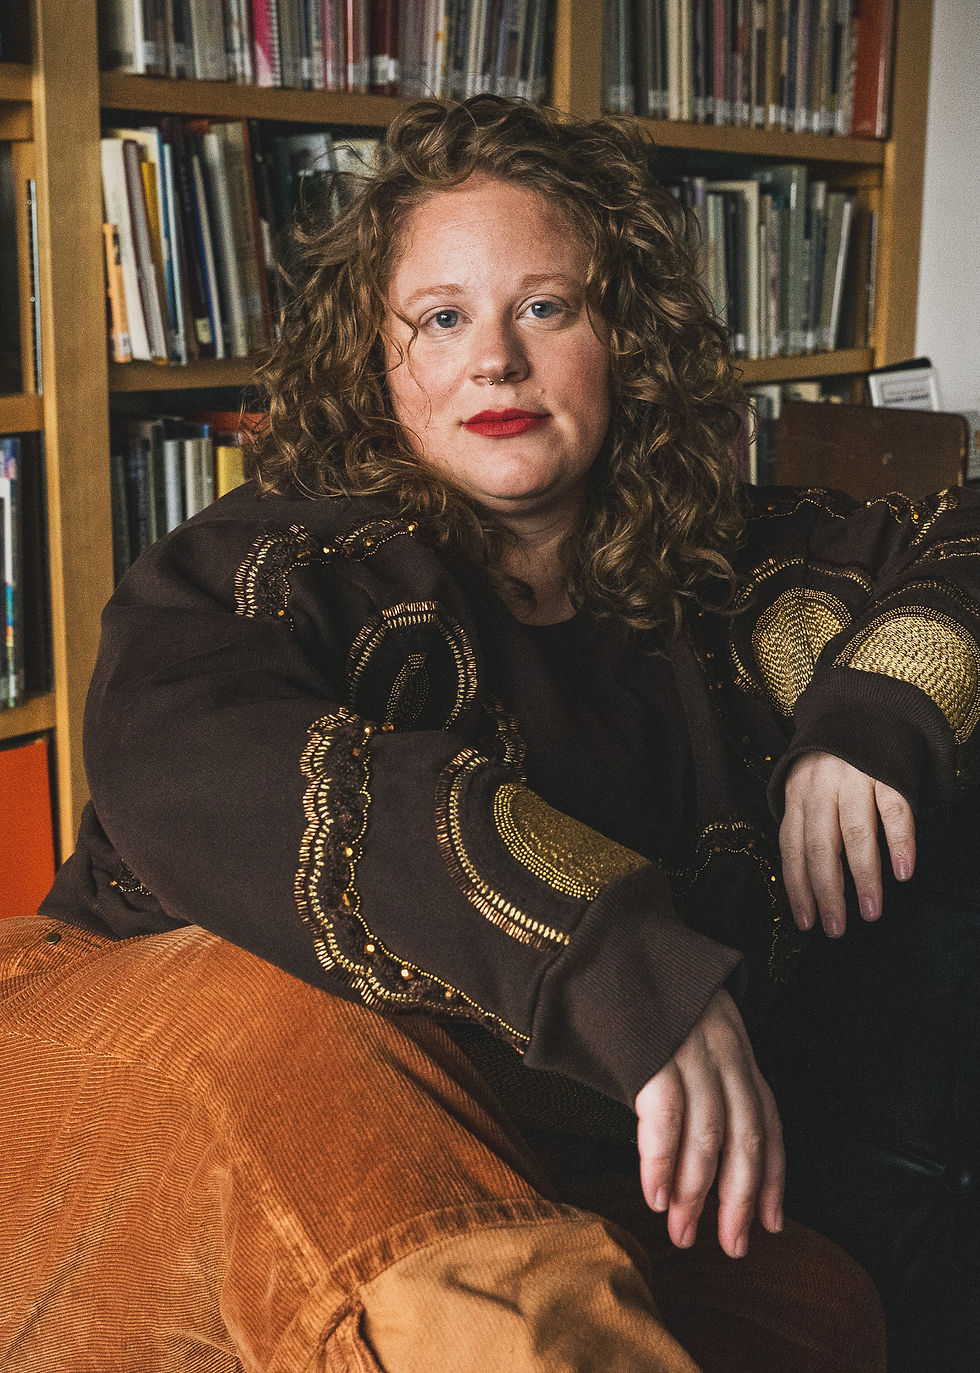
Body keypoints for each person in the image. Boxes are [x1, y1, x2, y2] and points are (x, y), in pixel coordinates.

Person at [5, 93, 980, 1371]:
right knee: (315, 1041)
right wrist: (612, 959)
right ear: (377, 357)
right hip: (130, 1037)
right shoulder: (279, 556)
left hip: (497, 1145)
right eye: (443, 316)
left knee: (810, 1303)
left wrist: (872, 714)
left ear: (624, 335)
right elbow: (186, 748)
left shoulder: (730, 574)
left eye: (546, 306)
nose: (495, 361)